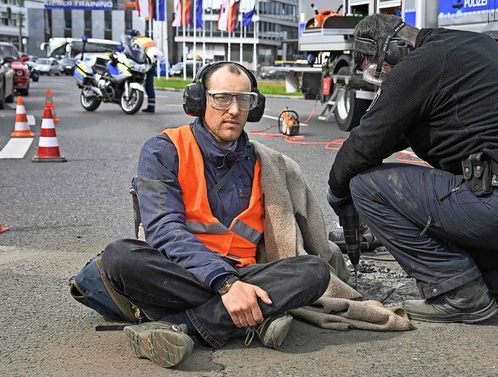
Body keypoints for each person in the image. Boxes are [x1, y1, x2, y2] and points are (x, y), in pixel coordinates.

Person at [327, 13, 498, 332]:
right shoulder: (471, 46)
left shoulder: (421, 64)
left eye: (378, 64)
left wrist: (337, 190)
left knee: (366, 186)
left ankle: (456, 294)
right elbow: (390, 134)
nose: (383, 76)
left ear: (397, 49)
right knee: (470, 274)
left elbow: (367, 140)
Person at [100, 62, 331, 369]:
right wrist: (226, 285)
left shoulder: (266, 163)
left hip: (246, 275)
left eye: (244, 99)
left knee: (313, 272)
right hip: (181, 272)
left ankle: (181, 327)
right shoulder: (165, 149)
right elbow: (163, 229)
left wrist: (236, 282)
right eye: (222, 98)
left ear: (255, 106)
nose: (234, 110)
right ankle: (252, 318)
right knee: (120, 257)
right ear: (198, 100)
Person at [130, 30, 157, 113]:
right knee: (149, 85)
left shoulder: (136, 42)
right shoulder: (148, 40)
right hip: (151, 65)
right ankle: (151, 106)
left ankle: (131, 100)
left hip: (142, 65)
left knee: (133, 81)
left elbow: (134, 54)